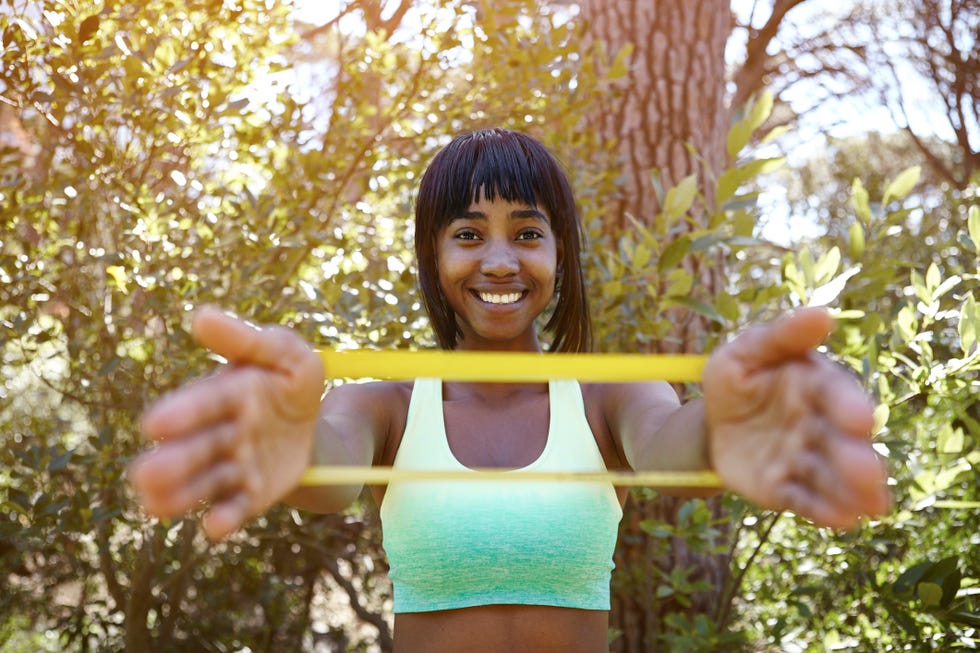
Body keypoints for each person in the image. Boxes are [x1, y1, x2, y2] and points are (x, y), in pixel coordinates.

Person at [130, 128, 890, 653]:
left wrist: (735, 416)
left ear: (560, 255)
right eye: (468, 233)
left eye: (527, 233)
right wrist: (281, 434)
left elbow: (673, 449)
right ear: (434, 257)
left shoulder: (610, 402)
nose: (499, 260)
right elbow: (323, 469)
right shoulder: (386, 406)